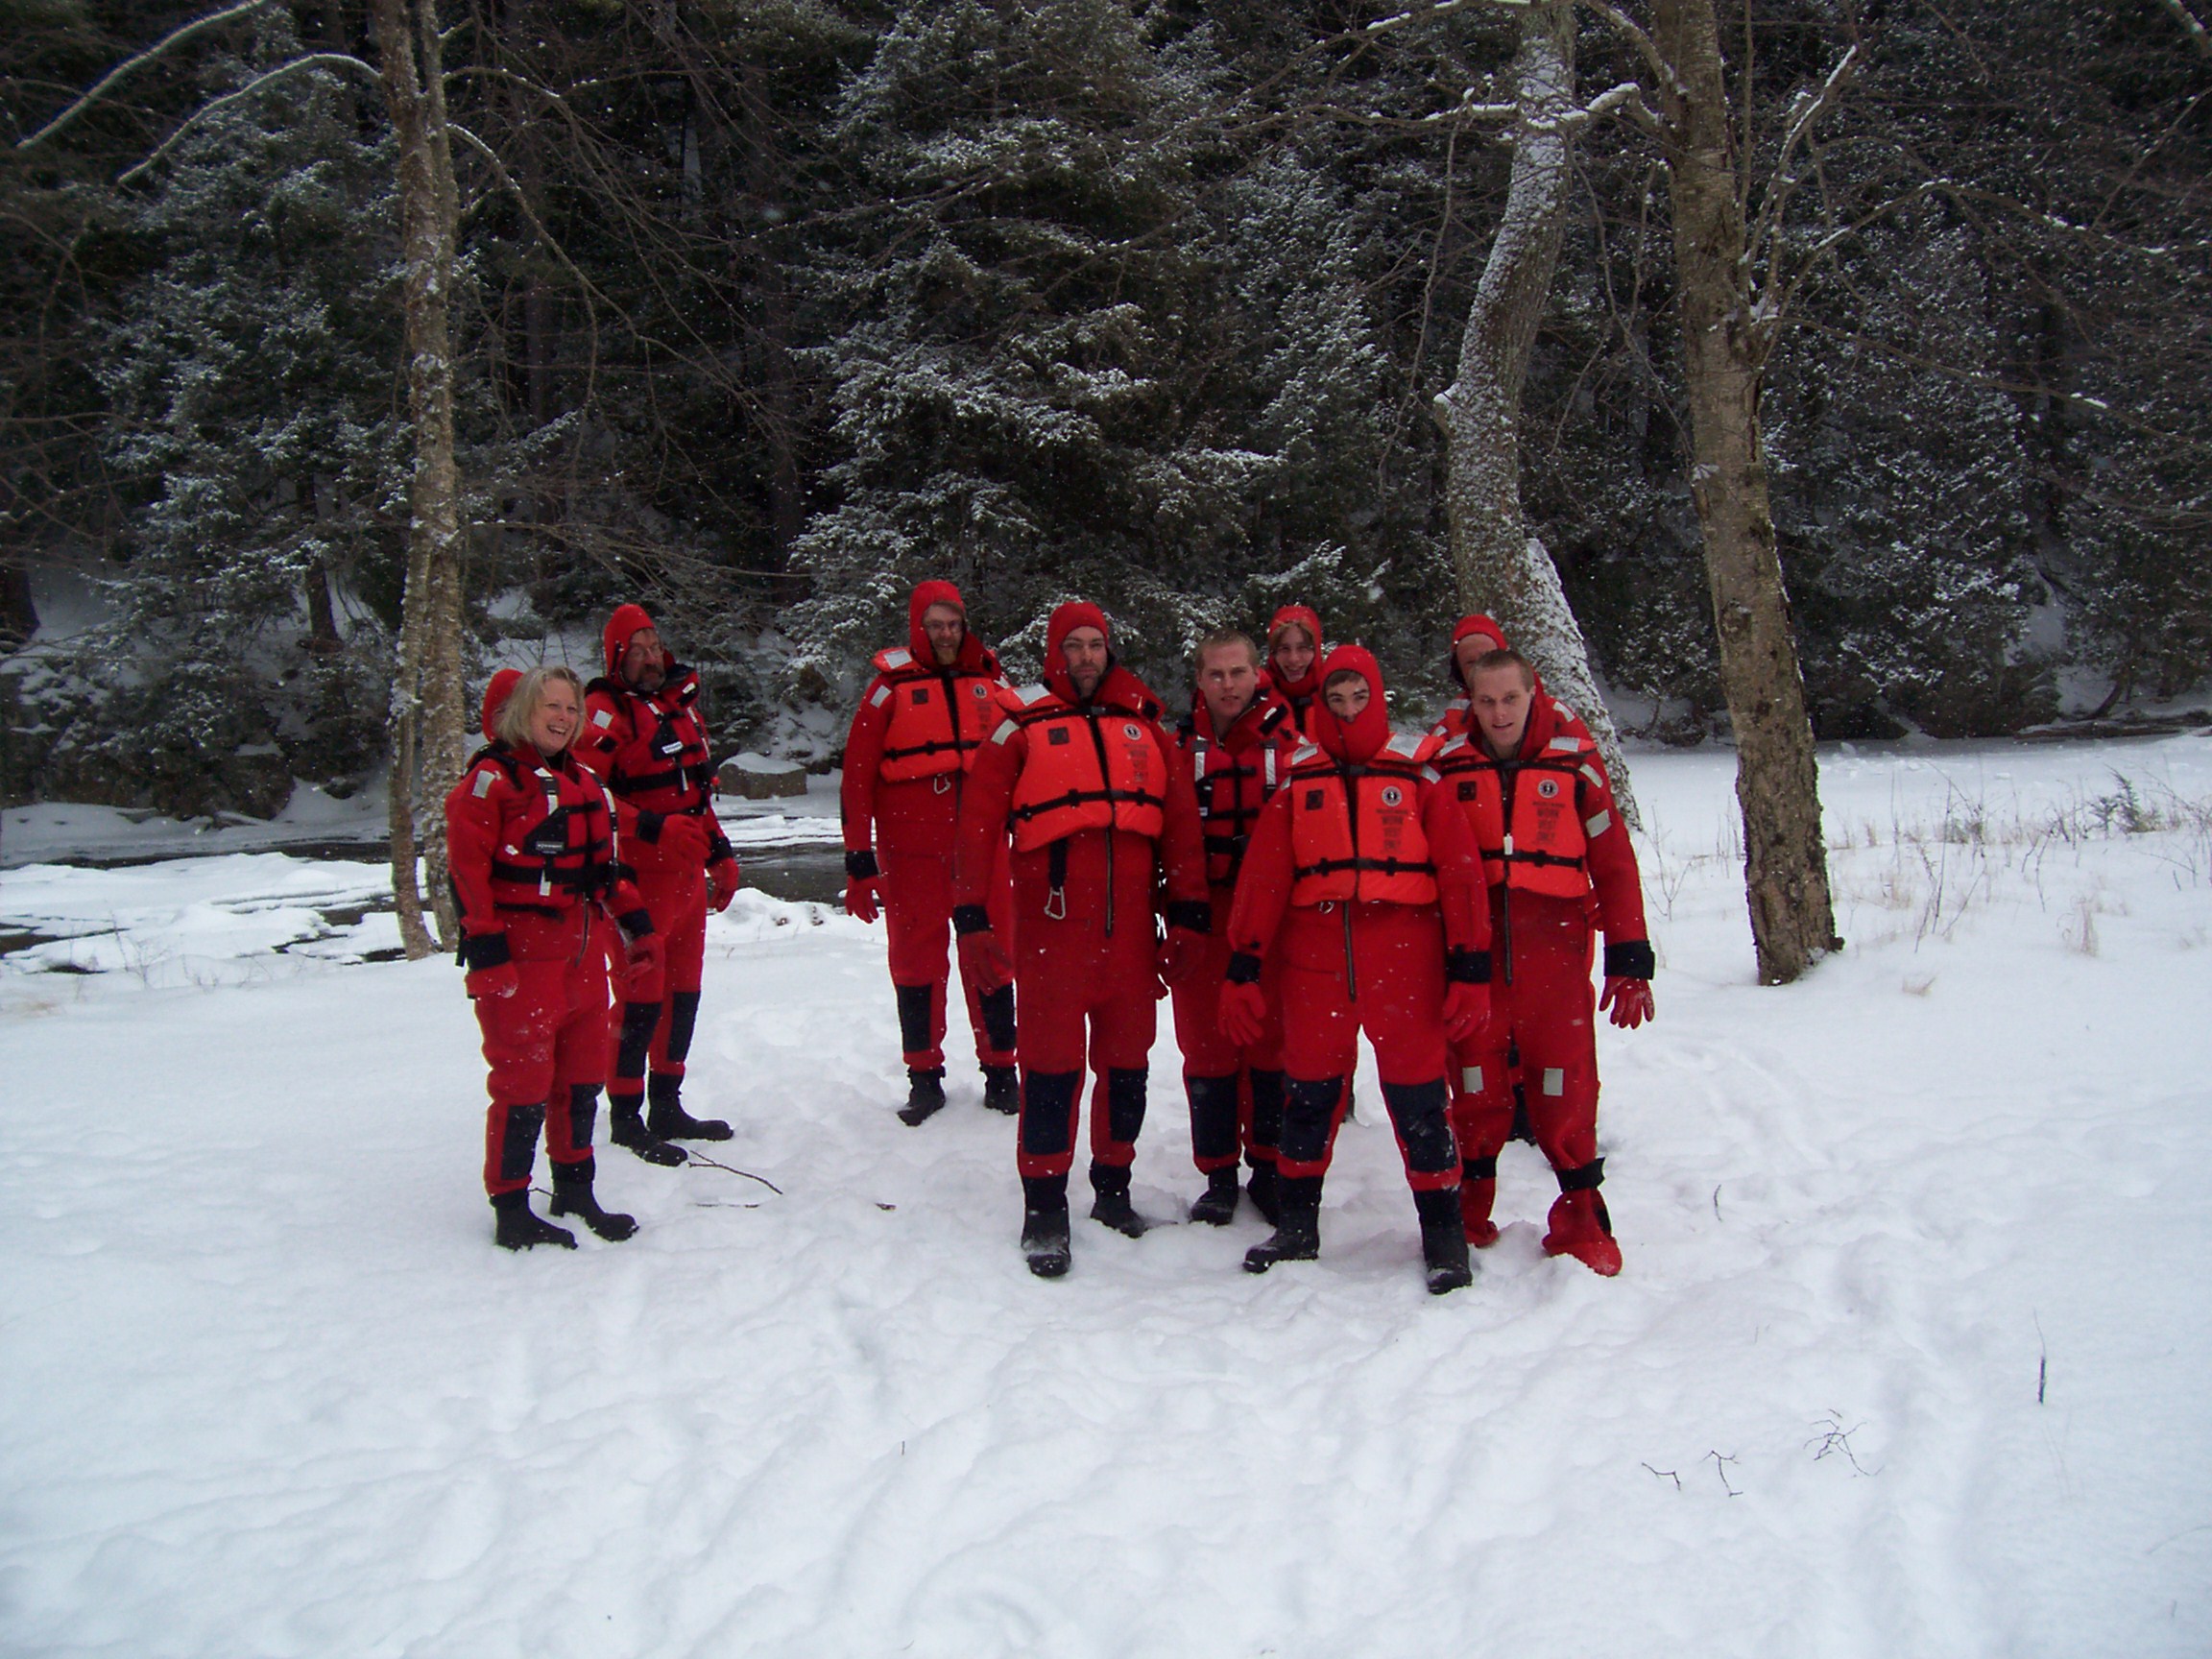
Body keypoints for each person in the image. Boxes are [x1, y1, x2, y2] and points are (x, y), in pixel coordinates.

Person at [1219, 646, 1492, 1294]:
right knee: (1307, 1099)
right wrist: (1243, 962)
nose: (1346, 711)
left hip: (1405, 963)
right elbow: (1263, 879)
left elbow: (1460, 877)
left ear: (1378, 697)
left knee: (1421, 1104)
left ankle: (1444, 1234)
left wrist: (1471, 966)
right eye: (1335, 700)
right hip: (1316, 964)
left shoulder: (1419, 775)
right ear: (1320, 704)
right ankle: (1297, 1226)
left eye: (1358, 698)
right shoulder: (1297, 781)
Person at [952, 601, 1209, 1279]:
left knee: (1127, 1068)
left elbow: (1180, 829)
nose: (1088, 656)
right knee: (1051, 1072)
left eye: (1097, 644)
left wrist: (1185, 915)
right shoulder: (1018, 729)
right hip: (1053, 938)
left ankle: (1113, 1192)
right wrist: (971, 918)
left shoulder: (1147, 734)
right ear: (1054, 655)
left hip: (1129, 938)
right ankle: (1044, 1207)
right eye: (1076, 646)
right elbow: (977, 825)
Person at [1430, 648, 1655, 1275]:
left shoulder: (1575, 765)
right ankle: (1468, 1213)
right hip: (1476, 959)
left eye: (1510, 699)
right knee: (1474, 1086)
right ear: (1469, 702)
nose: (1499, 713)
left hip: (1553, 957)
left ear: (1534, 696)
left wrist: (1628, 957)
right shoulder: (1445, 768)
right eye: (1485, 700)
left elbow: (1613, 863)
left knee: (1564, 1085)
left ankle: (1582, 1215)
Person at [447, 665, 662, 1250]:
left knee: (581, 1078)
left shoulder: (587, 784)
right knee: (522, 1084)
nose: (565, 716)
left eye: (571, 706)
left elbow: (607, 872)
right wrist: (489, 959)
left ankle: (574, 1188)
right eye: (551, 705)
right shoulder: (490, 783)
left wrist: (637, 928)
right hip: (524, 962)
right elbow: (466, 875)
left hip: (584, 954)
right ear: (520, 711)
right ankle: (512, 1206)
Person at [840, 581, 1020, 1125]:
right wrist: (859, 861)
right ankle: (924, 1076)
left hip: (983, 850)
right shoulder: (886, 691)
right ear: (918, 627)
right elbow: (856, 778)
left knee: (993, 953)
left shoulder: (994, 682)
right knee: (916, 962)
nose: (945, 634)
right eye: (935, 625)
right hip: (911, 851)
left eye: (953, 624)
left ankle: (1002, 1072)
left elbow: (1029, 761)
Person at [576, 605, 740, 1166]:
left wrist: (721, 854)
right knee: (640, 996)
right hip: (634, 879)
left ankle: (667, 1103)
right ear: (617, 657)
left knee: (683, 993)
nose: (649, 658)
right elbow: (587, 796)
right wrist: (651, 827)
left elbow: (696, 792)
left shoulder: (677, 707)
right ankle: (625, 1116)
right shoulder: (601, 714)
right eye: (637, 650)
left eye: (654, 646)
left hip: (686, 876)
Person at [1169, 631, 1302, 1225]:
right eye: (1216, 675)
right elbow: (1161, 839)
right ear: (1199, 680)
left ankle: (1269, 1167)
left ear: (1258, 675)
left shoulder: (1294, 749)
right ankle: (1218, 1174)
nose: (1228, 685)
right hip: (1200, 916)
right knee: (1206, 1048)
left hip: (1271, 920)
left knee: (1271, 1043)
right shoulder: (1176, 748)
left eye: (1238, 673)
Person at [1427, 613, 1603, 781]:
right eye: (1470, 662)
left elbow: (1599, 803)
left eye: (1489, 657)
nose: (1481, 667)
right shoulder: (1449, 730)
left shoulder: (1558, 721)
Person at [1260, 605, 1325, 737]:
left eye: (1303, 648)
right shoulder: (1257, 699)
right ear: (1273, 653)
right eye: (1284, 649)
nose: (1293, 659)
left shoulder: (1335, 696)